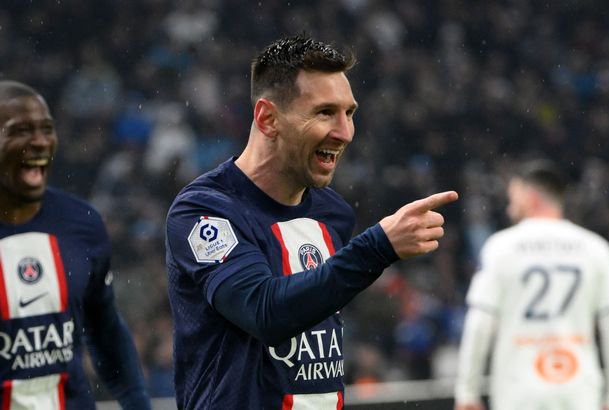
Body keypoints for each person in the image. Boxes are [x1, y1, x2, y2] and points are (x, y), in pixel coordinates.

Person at [165, 34, 458, 409]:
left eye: (349, 113)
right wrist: (377, 248)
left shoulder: (332, 214)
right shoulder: (205, 212)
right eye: (324, 113)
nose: (345, 133)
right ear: (268, 118)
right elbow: (264, 312)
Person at [0, 80, 151, 409]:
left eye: (46, 129)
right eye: (20, 130)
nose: (39, 141)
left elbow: (106, 330)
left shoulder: (81, 223)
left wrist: (138, 403)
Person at [454, 159, 609, 410]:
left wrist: (467, 392)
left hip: (519, 388)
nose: (509, 207)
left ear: (530, 196)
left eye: (512, 197)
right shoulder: (595, 249)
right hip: (578, 386)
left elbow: (480, 323)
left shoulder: (501, 247)